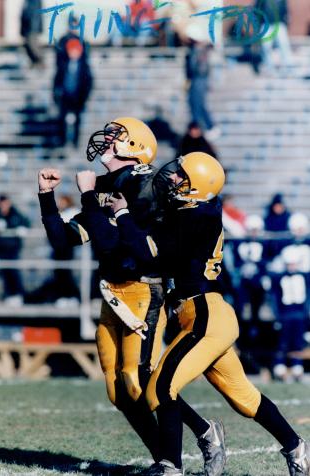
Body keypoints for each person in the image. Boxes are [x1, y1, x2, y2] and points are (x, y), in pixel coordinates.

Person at [38, 118, 226, 472]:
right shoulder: (109, 185)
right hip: (112, 291)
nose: (106, 140)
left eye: (115, 136)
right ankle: (164, 459)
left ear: (136, 146)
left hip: (144, 288)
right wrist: (46, 196)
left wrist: (89, 197)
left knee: (140, 380)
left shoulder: (150, 185)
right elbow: (63, 240)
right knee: (118, 391)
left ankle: (184, 450)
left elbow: (116, 240)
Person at [144, 152, 310, 476]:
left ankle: (171, 465)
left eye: (182, 176)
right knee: (244, 398)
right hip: (205, 315)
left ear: (198, 186)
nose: (173, 179)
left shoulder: (199, 216)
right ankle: (297, 448)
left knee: (160, 387)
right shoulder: (194, 212)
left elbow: (162, 254)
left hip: (205, 314)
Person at [267, 246, 309, 382]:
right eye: (289, 264)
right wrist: (276, 315)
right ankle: (280, 367)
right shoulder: (277, 278)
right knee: (282, 342)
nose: (292, 266)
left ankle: (297, 367)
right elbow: (274, 298)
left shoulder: (305, 276)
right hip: (284, 314)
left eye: (294, 263)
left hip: (300, 314)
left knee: (298, 342)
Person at [0, 194, 30, 306]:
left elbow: (25, 222)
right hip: (1, 249)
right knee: (5, 272)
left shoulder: (16, 214)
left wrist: (21, 229)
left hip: (13, 248)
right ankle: (9, 295)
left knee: (14, 272)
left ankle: (18, 295)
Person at [53, 38, 93, 148]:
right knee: (62, 118)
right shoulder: (63, 64)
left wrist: (84, 96)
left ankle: (75, 141)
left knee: (78, 119)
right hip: (65, 95)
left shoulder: (84, 66)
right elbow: (57, 80)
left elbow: (88, 81)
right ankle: (63, 140)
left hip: (78, 97)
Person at [255, 0, 292, 73]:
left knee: (283, 45)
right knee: (265, 46)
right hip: (266, 24)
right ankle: (269, 67)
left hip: (279, 24)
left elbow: (285, 10)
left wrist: (286, 20)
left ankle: (288, 66)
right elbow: (257, 10)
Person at [20, 0, 43, 67]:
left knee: (33, 46)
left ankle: (39, 63)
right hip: (27, 28)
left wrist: (33, 27)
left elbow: (34, 14)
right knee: (27, 46)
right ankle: (35, 63)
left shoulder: (34, 1)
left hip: (32, 28)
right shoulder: (27, 1)